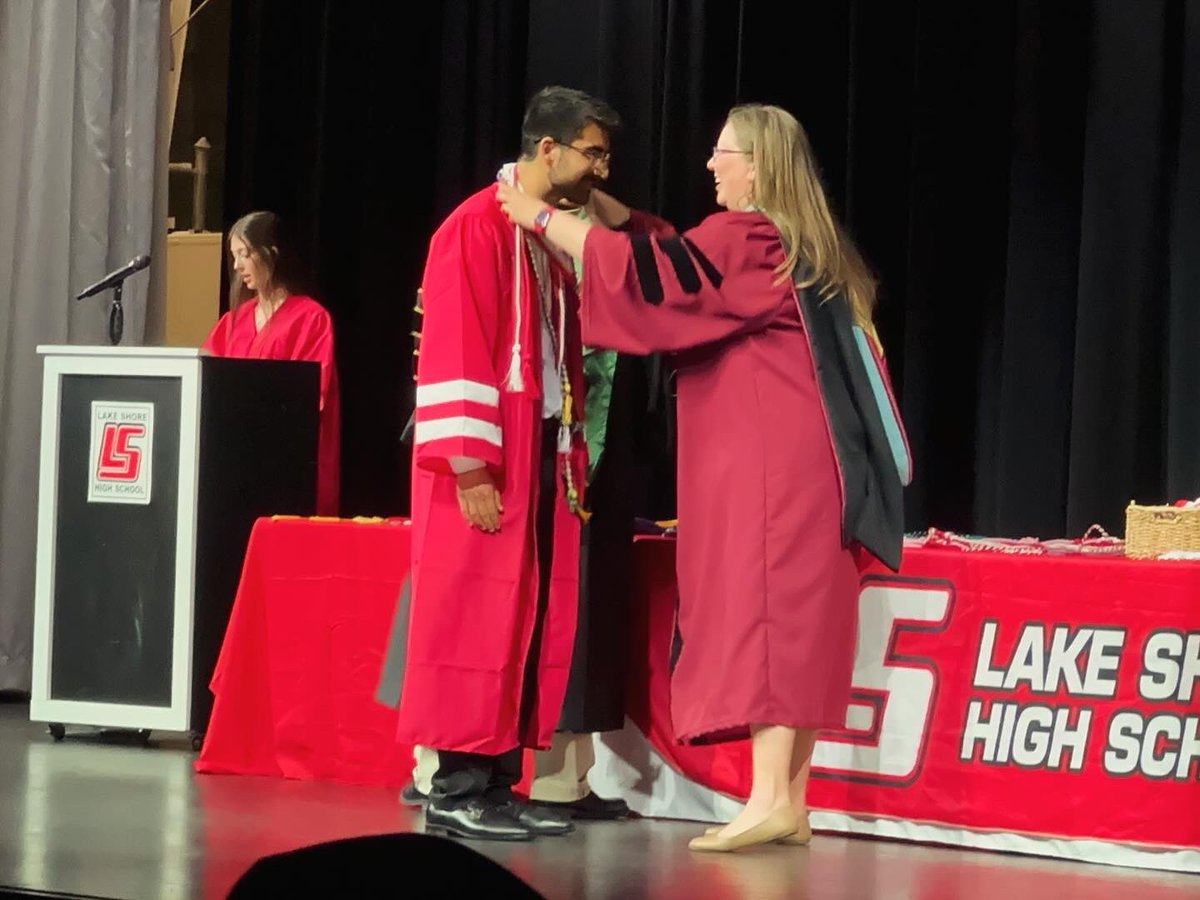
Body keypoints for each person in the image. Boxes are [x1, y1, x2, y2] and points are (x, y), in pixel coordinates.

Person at [498, 103, 907, 852]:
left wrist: (534, 214)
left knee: (769, 617)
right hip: (811, 465)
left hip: (769, 472)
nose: (710, 165)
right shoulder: (799, 245)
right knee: (799, 621)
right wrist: (609, 211)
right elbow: (673, 253)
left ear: (758, 166)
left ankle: (768, 797)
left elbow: (647, 272)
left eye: (722, 153)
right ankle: (790, 799)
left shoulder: (749, 238)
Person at [396, 86, 622, 842]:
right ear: (548, 148)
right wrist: (469, 469)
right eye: (592, 151)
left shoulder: (538, 235)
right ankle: (454, 785)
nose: (602, 167)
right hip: (485, 460)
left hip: (534, 451)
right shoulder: (473, 228)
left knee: (517, 616)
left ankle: (494, 781)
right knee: (471, 617)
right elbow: (455, 351)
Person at [203, 210, 341, 516]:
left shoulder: (311, 318)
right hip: (236, 459)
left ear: (271, 253)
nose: (237, 266)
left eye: (245, 254)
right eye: (234, 256)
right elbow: (208, 380)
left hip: (287, 460)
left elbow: (310, 396)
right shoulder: (233, 321)